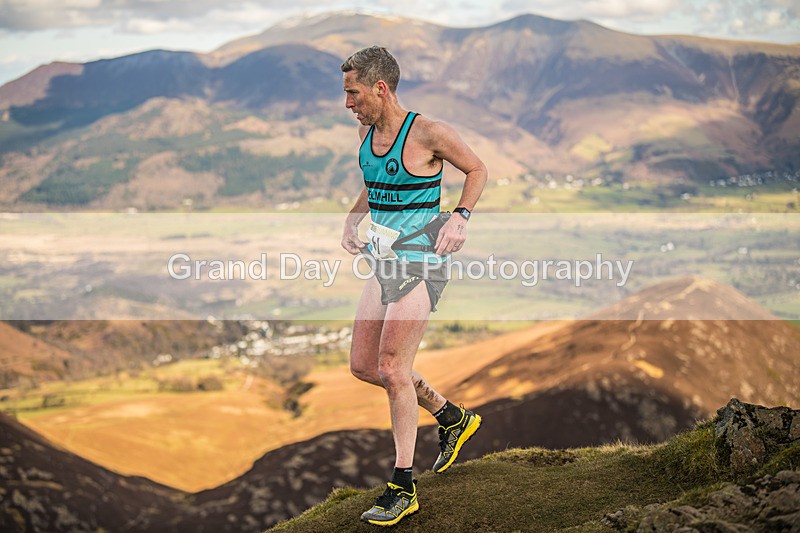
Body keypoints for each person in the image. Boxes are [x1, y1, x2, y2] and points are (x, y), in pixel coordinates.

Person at [340, 45, 488, 527]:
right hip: (383, 261)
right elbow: (374, 181)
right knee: (365, 366)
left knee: (392, 367)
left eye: (354, 92)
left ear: (380, 88)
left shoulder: (429, 133)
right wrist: (351, 220)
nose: (348, 103)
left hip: (421, 260)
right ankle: (452, 418)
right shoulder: (366, 133)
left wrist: (460, 218)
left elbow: (477, 169)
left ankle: (403, 486)